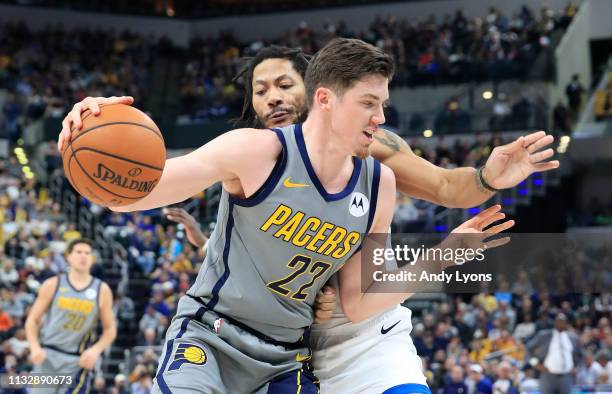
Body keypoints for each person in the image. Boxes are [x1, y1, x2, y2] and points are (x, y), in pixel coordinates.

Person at [61, 42, 556, 393]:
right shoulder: (253, 151)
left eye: (283, 84)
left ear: (312, 89)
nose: (273, 97)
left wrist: (487, 181)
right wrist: (94, 129)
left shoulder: (377, 162)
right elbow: (136, 190)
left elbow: (449, 189)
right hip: (219, 334)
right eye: (260, 90)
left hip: (311, 346)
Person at [25, 238, 116, 393]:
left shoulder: (102, 290)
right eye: (79, 252)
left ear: (92, 259)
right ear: (69, 257)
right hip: (48, 356)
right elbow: (32, 320)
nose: (83, 256)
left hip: (78, 361)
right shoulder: (53, 284)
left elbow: (110, 330)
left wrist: (95, 351)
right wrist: (34, 347)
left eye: (87, 253)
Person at [526, 313, 582, 394]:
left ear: (566, 323)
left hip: (566, 376)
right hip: (548, 375)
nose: (561, 323)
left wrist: (576, 368)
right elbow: (528, 348)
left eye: (563, 321)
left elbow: (580, 356)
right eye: (559, 321)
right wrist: (536, 364)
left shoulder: (573, 338)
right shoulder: (544, 335)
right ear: (555, 322)